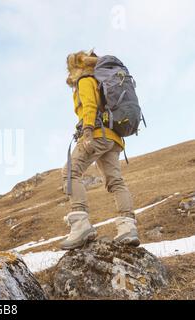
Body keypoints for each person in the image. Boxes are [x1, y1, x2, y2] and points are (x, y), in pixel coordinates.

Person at [60, 49, 139, 250]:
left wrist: (87, 131)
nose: (68, 75)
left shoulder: (86, 80)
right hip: (114, 140)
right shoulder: (103, 81)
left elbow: (89, 106)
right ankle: (127, 228)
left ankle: (81, 226)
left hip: (96, 135)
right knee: (115, 182)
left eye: (70, 69)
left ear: (79, 68)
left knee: (70, 172)